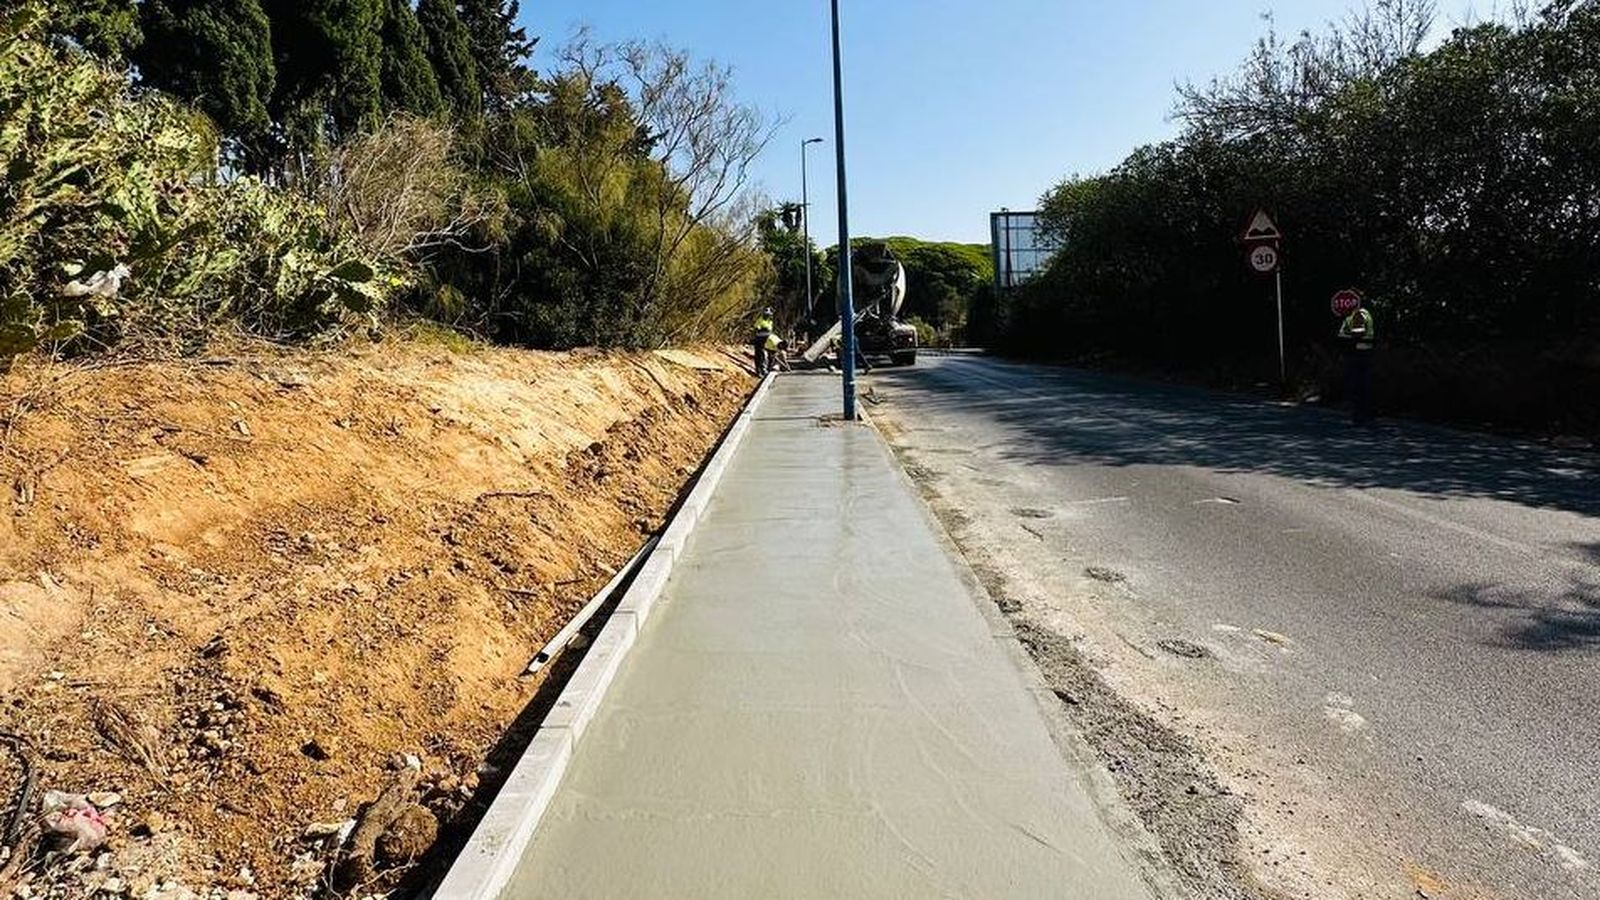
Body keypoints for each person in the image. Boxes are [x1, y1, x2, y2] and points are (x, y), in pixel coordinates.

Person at [1338, 296, 1377, 424]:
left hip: (1358, 354)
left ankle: (1361, 413)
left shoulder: (1359, 315)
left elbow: (1357, 334)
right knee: (1362, 384)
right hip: (1361, 354)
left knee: (1359, 385)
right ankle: (1363, 413)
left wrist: (1349, 343)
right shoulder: (1357, 315)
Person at [752, 307, 775, 376]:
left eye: (769, 315)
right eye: (767, 315)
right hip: (760, 340)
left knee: (770, 355)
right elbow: (756, 329)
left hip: (767, 340)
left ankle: (768, 368)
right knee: (760, 355)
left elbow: (770, 331)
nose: (768, 316)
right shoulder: (760, 320)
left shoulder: (770, 321)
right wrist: (762, 329)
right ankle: (759, 370)